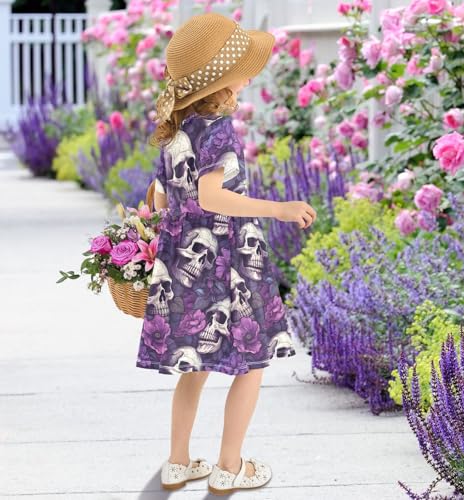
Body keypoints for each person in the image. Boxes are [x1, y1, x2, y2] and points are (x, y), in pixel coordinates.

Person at [136, 12, 317, 495]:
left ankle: (178, 463)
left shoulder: (176, 132)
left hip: (183, 263)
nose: (250, 76)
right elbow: (212, 196)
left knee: (193, 364)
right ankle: (230, 466)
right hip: (230, 260)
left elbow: (159, 199)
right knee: (252, 363)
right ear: (221, 81)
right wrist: (278, 209)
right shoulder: (219, 131)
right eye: (243, 69)